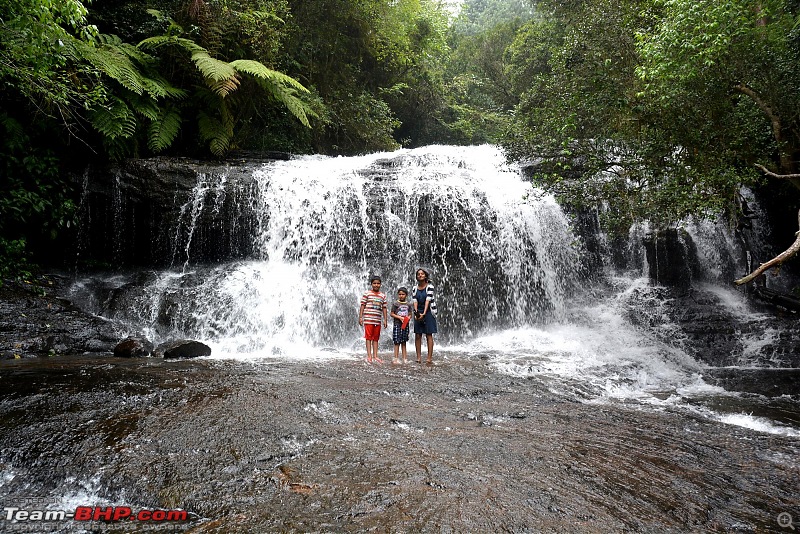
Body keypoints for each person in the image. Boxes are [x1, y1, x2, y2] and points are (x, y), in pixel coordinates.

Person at [358, 275, 388, 363]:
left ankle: (375, 356)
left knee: (376, 338)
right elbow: (362, 305)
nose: (376, 285)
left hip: (377, 320)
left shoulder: (383, 296)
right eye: (374, 283)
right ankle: (369, 356)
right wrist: (360, 317)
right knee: (368, 338)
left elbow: (384, 308)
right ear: (371, 284)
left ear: (380, 284)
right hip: (368, 319)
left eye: (378, 283)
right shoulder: (367, 294)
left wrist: (385, 320)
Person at [411, 268, 437, 364]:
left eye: (422, 274)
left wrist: (424, 313)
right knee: (418, 334)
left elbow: (428, 300)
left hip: (429, 311)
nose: (420, 275)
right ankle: (418, 357)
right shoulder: (414, 288)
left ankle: (429, 358)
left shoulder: (430, 287)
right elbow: (415, 301)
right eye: (418, 274)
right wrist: (416, 313)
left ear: (425, 276)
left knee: (428, 334)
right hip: (419, 310)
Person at [389, 287, 412, 364]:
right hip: (397, 324)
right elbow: (391, 313)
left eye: (403, 294)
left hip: (405, 325)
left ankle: (404, 358)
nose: (401, 296)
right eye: (400, 294)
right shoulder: (395, 304)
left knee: (404, 341)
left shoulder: (408, 304)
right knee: (396, 341)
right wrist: (399, 317)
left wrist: (408, 318)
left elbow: (410, 314)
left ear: (406, 295)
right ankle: (395, 358)